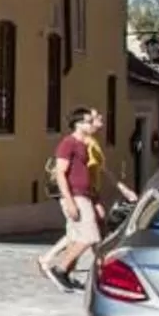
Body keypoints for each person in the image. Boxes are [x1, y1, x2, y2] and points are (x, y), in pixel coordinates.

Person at [39, 107, 108, 288]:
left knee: (74, 237)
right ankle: (60, 269)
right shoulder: (68, 143)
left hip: (84, 195)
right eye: (88, 121)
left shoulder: (83, 144)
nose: (91, 124)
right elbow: (60, 173)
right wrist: (69, 201)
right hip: (75, 196)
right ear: (78, 124)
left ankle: (66, 275)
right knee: (91, 236)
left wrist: (94, 197)